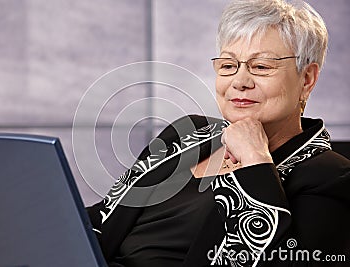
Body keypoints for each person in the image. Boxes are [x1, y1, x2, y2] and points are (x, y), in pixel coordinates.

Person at [87, 0, 350, 266]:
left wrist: (255, 159)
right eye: (227, 66)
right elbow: (100, 220)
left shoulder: (332, 177)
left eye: (261, 67)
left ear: (307, 79)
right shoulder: (186, 133)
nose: (240, 82)